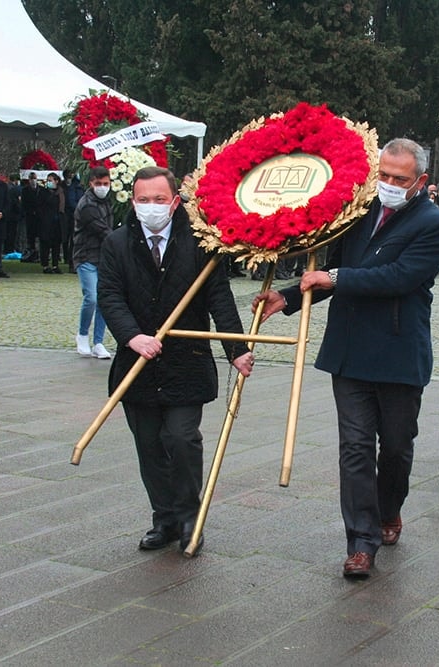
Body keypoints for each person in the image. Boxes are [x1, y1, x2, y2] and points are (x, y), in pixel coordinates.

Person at [252, 138, 439, 579]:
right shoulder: (356, 214)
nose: (388, 184)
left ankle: (389, 509)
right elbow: (326, 279)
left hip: (400, 354)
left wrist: (336, 276)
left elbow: (399, 276)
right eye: (383, 175)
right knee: (356, 449)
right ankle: (361, 543)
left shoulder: (435, 223)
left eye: (399, 179)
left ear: (420, 181)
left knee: (396, 449)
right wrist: (287, 298)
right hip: (350, 352)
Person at [97, 166, 254, 556]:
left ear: (175, 202)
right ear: (132, 202)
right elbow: (110, 295)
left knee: (182, 439)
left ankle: (188, 517)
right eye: (143, 200)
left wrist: (237, 349)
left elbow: (219, 296)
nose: (151, 207)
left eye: (159, 200)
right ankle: (163, 518)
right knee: (149, 445)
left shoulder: (200, 243)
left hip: (187, 361)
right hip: (138, 366)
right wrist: (133, 336)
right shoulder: (116, 243)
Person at [73, 166, 114, 359]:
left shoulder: (107, 202)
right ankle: (82, 335)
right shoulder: (87, 204)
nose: (103, 187)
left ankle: (98, 342)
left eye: (106, 184)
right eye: (99, 184)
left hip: (103, 257)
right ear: (91, 183)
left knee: (104, 300)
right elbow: (102, 230)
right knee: (92, 297)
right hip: (86, 255)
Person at [39, 173, 64, 274]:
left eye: (51, 180)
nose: (49, 182)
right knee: (45, 244)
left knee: (56, 244)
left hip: (58, 222)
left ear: (56, 181)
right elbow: (40, 206)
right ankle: (45, 265)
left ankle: (55, 265)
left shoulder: (61, 192)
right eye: (48, 180)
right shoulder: (43, 192)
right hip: (46, 222)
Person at [20, 172, 43, 263]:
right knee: (30, 237)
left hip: (39, 217)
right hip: (30, 217)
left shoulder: (41, 190)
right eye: (31, 178)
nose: (33, 180)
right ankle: (32, 254)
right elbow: (24, 204)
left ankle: (40, 254)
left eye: (34, 178)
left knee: (41, 236)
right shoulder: (25, 190)